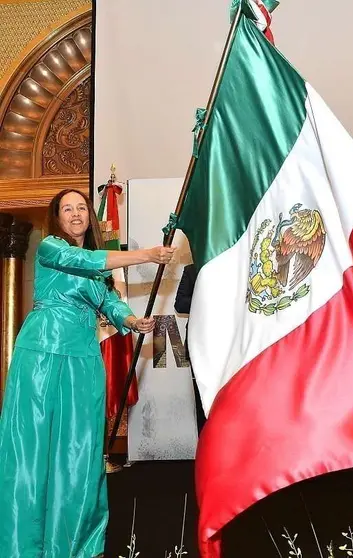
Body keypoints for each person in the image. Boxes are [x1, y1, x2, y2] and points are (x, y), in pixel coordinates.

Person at [0, 189, 175, 558]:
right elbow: (88, 260)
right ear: (57, 217)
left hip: (82, 359)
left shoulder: (97, 276)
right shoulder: (51, 248)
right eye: (68, 208)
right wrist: (147, 254)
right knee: (33, 450)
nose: (77, 213)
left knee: (79, 451)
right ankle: (23, 547)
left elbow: (110, 302)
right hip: (42, 355)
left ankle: (72, 547)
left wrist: (131, 320)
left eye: (81, 207)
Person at [174, 263, 206, 433]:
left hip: (232, 347)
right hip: (199, 345)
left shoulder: (235, 266)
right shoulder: (192, 269)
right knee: (202, 404)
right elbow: (180, 304)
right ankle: (204, 455)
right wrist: (207, 297)